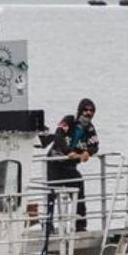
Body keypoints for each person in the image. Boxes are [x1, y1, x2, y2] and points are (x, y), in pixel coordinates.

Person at [45, 98, 100, 232]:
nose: (88, 113)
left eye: (91, 111)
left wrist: (88, 152)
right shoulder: (68, 120)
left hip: (70, 167)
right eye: (85, 110)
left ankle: (80, 225)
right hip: (55, 162)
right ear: (80, 110)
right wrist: (68, 152)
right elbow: (58, 136)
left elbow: (95, 145)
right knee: (51, 193)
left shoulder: (90, 129)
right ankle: (48, 224)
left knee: (79, 186)